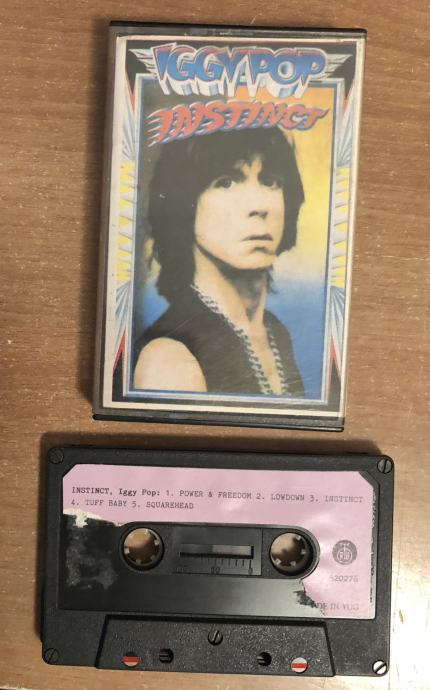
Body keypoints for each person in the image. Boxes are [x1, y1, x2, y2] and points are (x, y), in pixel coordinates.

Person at [133, 127, 305, 397]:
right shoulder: (169, 357)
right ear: (183, 205)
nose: (259, 206)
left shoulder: (275, 332)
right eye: (226, 182)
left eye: (270, 181)